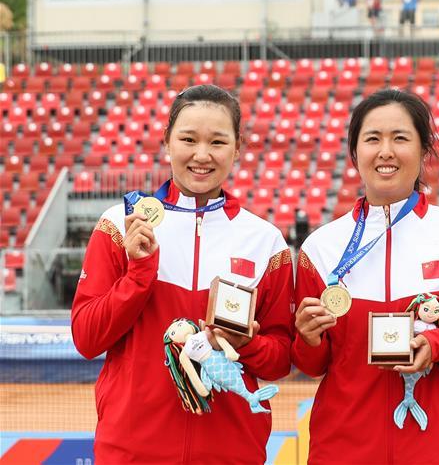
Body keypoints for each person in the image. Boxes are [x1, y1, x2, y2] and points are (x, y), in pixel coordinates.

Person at [291, 88, 439, 464]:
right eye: (372, 139)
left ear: (424, 151)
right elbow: (313, 365)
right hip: (342, 450)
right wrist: (308, 337)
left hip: (437, 450)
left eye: (400, 138)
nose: (386, 151)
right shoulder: (321, 248)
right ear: (355, 152)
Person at [71, 83, 293, 464]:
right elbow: (87, 338)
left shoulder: (265, 241)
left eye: (218, 142)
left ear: (237, 148)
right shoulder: (120, 224)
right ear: (167, 142)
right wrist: (139, 273)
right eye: (188, 139)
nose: (201, 155)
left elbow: (281, 360)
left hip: (232, 452)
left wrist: (245, 345)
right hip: (132, 450)